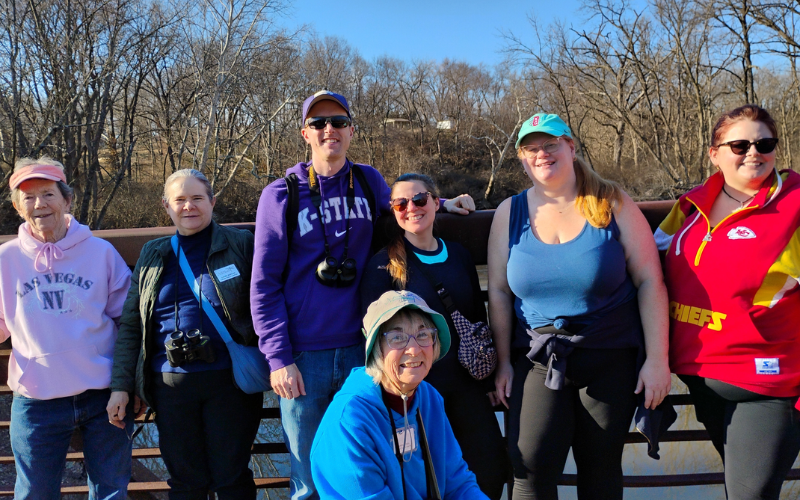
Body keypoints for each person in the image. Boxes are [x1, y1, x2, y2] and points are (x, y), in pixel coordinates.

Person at [250, 90, 475, 500]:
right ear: (305, 133)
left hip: (365, 351)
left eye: (337, 121)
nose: (329, 130)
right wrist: (278, 358)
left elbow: (406, 210)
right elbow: (263, 283)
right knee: (308, 481)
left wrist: (442, 206)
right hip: (304, 356)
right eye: (318, 123)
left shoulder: (368, 181)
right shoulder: (281, 194)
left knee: (380, 465)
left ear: (351, 130)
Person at [487, 113, 670, 499]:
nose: (541, 154)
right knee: (529, 469)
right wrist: (503, 362)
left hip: (609, 356)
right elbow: (500, 292)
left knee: (600, 471)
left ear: (570, 146)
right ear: (521, 157)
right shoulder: (509, 212)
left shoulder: (612, 203)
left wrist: (658, 360)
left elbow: (650, 281)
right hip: (538, 358)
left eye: (550, 144)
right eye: (530, 148)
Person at [654, 104, 800, 499]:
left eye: (764, 143)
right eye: (739, 145)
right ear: (714, 153)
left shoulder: (795, 205)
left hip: (766, 384)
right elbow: (639, 260)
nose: (753, 153)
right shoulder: (689, 206)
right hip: (701, 376)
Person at [108, 169, 263, 499]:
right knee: (185, 481)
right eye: (179, 199)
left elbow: (268, 302)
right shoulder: (154, 253)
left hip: (230, 383)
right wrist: (121, 385)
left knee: (231, 476)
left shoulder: (241, 245)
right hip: (170, 386)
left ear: (212, 201)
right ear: (166, 206)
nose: (188, 206)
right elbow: (132, 325)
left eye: (197, 198)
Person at [361, 172, 508, 499]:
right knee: (421, 477)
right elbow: (372, 337)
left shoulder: (458, 255)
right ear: (393, 211)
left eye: (419, 199)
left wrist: (489, 379)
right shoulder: (383, 267)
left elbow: (476, 318)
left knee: (490, 468)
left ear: (436, 202)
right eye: (400, 203)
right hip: (414, 392)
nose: (411, 208)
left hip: (466, 385)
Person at [0, 157, 134, 499]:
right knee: (34, 494)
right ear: (17, 207)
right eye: (28, 197)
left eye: (47, 194)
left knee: (110, 492)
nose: (39, 204)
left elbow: (130, 321)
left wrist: (127, 384)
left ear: (66, 199)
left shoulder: (100, 253)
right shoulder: (6, 259)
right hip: (36, 401)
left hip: (103, 396)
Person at [311, 290, 488, 500]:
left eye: (423, 334)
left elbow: (458, 483)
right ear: (376, 347)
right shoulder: (349, 421)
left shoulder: (428, 397)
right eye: (397, 337)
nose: (413, 349)